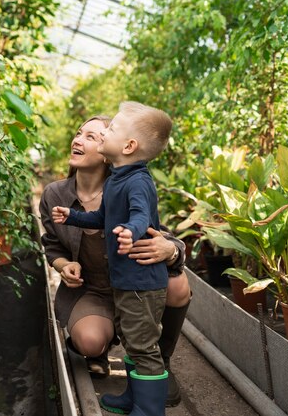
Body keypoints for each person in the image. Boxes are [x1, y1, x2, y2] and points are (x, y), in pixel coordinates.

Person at [39, 108, 190, 413]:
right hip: (101, 289)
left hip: (135, 285)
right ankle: (132, 393)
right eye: (80, 132)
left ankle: (152, 393)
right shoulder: (59, 193)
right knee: (125, 341)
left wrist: (160, 245)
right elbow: (58, 241)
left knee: (151, 328)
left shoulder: (133, 182)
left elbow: (143, 219)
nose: (78, 139)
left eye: (94, 135)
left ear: (123, 148)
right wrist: (64, 258)